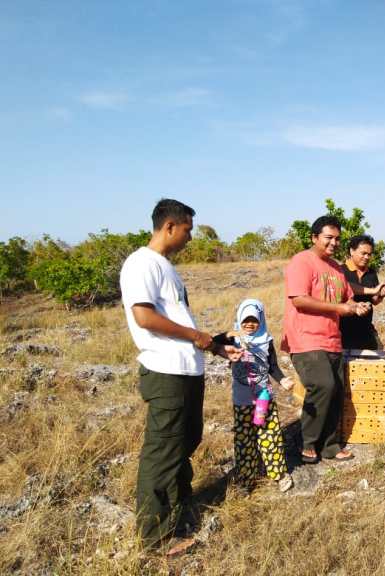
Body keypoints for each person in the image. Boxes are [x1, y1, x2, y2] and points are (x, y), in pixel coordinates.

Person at [119, 199, 241, 549]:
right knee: (163, 451)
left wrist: (214, 345)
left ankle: (179, 507)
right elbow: (144, 317)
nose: (189, 237)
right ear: (169, 226)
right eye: (187, 229)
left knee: (186, 441)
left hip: (186, 369)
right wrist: (195, 337)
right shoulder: (141, 263)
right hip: (166, 372)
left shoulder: (166, 267)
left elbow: (180, 324)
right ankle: (156, 538)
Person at [281, 215, 385, 464]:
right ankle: (308, 442)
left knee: (336, 391)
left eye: (337, 239)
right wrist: (340, 309)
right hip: (305, 338)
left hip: (332, 339)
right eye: (329, 238)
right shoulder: (302, 262)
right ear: (314, 237)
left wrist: (356, 306)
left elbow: (348, 296)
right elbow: (299, 299)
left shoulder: (336, 268)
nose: (333, 243)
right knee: (323, 385)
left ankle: (329, 445)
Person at [213, 299, 294, 493]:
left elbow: (273, 366)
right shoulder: (233, 339)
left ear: (261, 320)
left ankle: (279, 474)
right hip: (242, 400)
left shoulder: (266, 340)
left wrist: (282, 380)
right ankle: (246, 479)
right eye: (246, 320)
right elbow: (212, 343)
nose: (250, 324)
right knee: (244, 440)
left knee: (270, 435)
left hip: (263, 398)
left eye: (254, 320)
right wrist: (229, 334)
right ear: (239, 319)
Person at [340, 234, 385, 350]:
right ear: (352, 251)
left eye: (369, 254)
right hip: (344, 332)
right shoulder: (340, 271)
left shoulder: (371, 273)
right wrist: (373, 290)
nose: (367, 257)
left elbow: (374, 300)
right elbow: (344, 288)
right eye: (363, 253)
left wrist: (381, 295)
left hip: (366, 329)